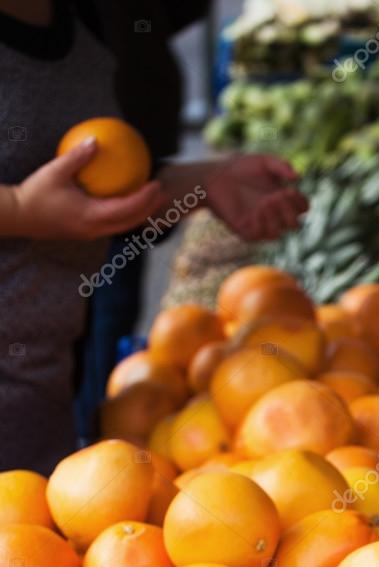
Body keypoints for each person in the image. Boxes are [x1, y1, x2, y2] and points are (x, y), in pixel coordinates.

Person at [0, 0, 306, 472]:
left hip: (41, 391)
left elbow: (90, 191)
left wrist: (204, 182)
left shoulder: (88, 35)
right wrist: (20, 208)